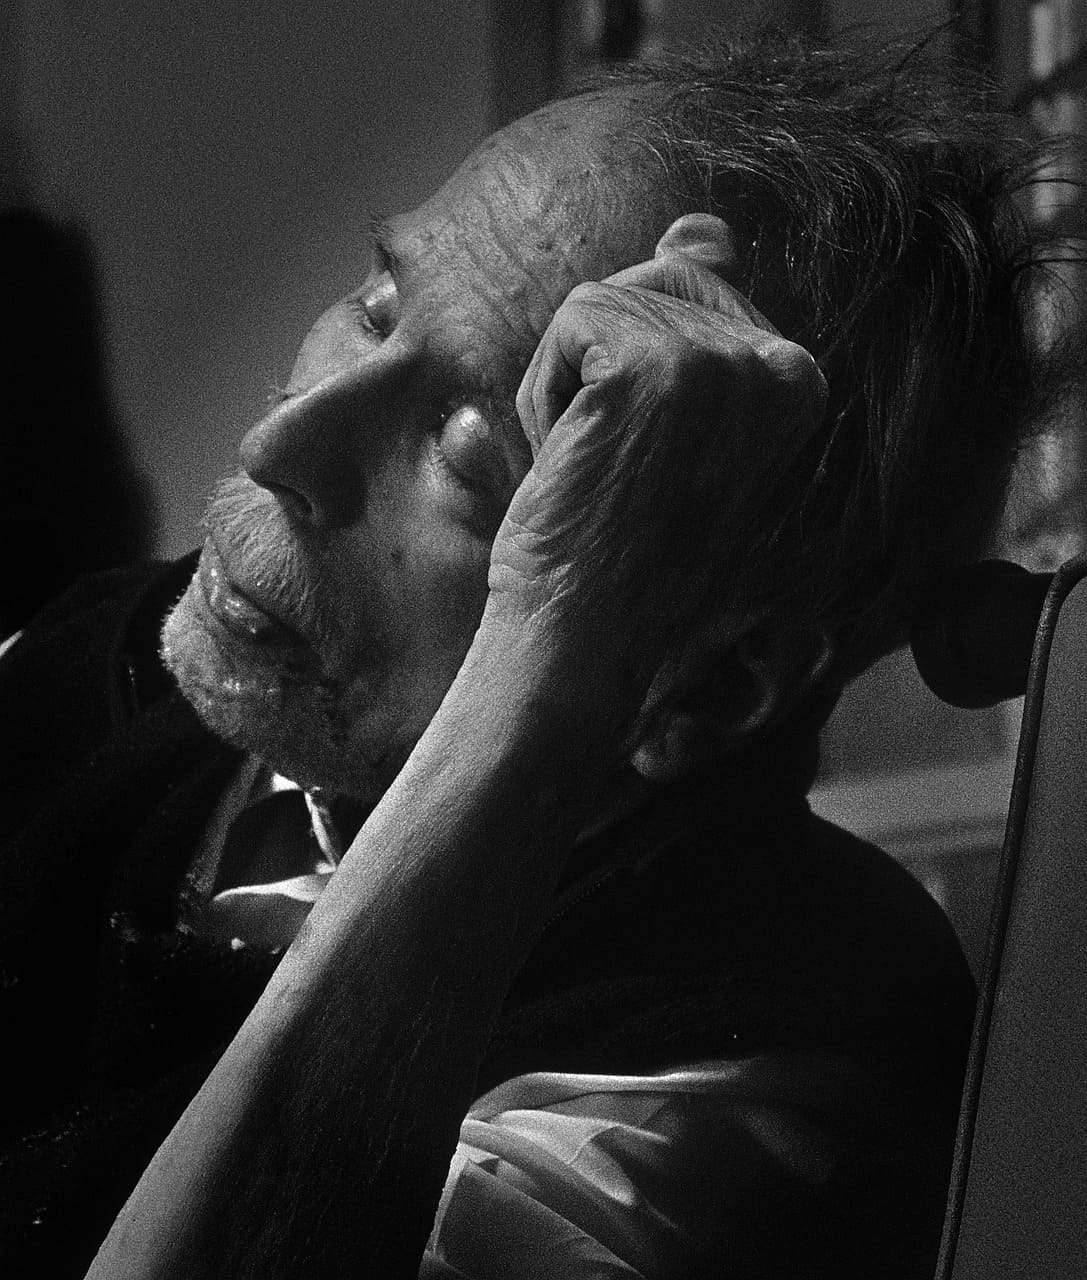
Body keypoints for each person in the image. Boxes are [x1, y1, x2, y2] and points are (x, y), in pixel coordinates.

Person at [0, 29, 1050, 1279]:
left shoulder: (741, 1081)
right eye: (376, 308)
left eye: (465, 443)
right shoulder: (119, 664)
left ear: (706, 688)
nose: (280, 444)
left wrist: (557, 642)